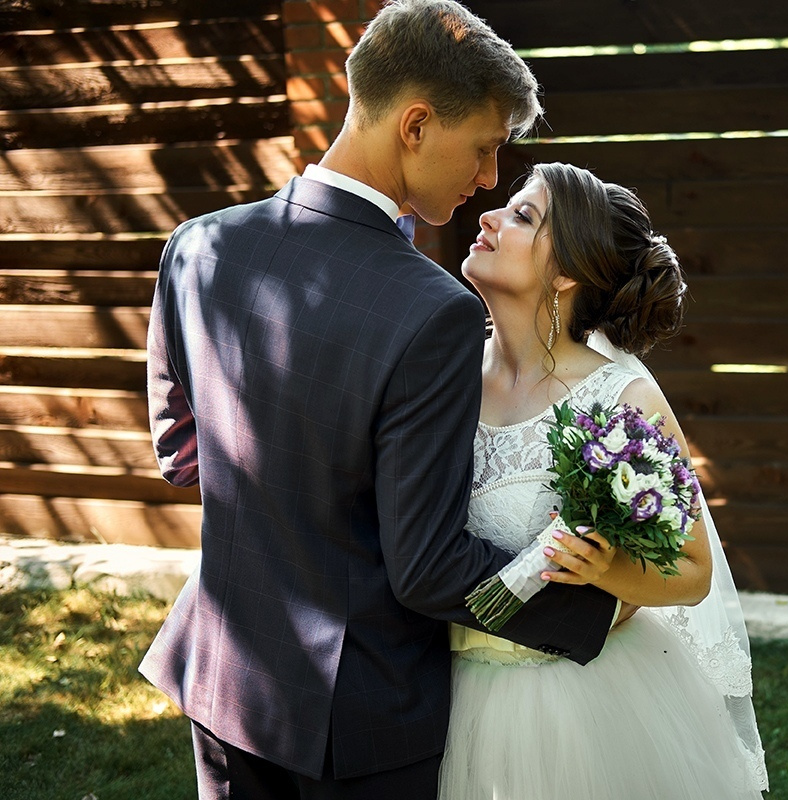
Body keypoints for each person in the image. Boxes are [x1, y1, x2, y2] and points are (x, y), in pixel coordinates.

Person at [139, 4, 624, 798]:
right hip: (357, 718)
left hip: (223, 682)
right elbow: (428, 569)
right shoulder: (432, 310)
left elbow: (181, 454)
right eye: (485, 146)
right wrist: (589, 616)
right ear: (416, 124)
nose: (489, 178)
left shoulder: (198, 244)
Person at [440, 162, 770, 799]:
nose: (487, 217)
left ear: (565, 273)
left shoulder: (622, 400)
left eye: (522, 216)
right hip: (441, 683)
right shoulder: (443, 375)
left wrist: (604, 574)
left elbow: (694, 572)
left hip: (575, 697)